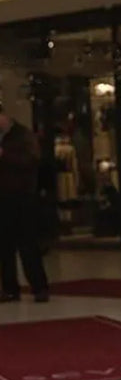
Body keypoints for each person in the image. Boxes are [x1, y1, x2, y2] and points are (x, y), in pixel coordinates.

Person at [0, 106, 50, 303]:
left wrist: (5, 155)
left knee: (27, 243)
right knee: (5, 245)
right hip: (3, 196)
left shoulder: (22, 135)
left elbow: (32, 159)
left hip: (23, 195)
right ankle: (10, 288)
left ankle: (39, 286)